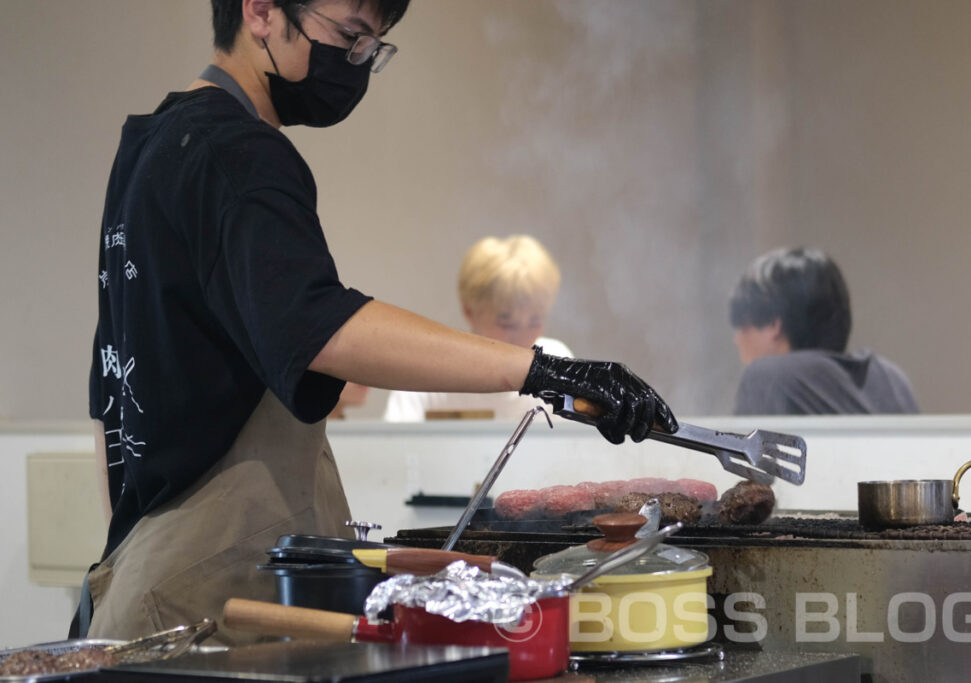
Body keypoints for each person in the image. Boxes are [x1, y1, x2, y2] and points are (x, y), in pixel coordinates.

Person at [85, 0, 676, 644]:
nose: (358, 63)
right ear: (259, 11)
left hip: (147, 587)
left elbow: (106, 396)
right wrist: (540, 369)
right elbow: (324, 326)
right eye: (350, 35)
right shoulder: (241, 154)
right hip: (208, 606)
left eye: (374, 46)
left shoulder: (152, 147)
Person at [384, 234, 573, 421]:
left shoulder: (556, 366)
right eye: (507, 323)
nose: (522, 337)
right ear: (469, 311)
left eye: (535, 321)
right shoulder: (429, 369)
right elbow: (395, 444)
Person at [728, 247, 919, 415]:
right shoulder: (891, 379)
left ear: (772, 326)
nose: (736, 339)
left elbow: (741, 452)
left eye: (742, 326)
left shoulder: (768, 377)